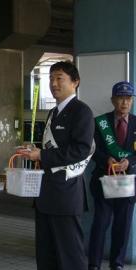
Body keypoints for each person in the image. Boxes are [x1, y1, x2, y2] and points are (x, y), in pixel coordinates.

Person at [17, 61, 95, 270]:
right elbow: (52, 149)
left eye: (59, 78)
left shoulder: (82, 112)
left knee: (70, 256)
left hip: (66, 194)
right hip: (45, 193)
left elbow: (81, 150)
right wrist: (35, 150)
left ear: (75, 82)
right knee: (46, 254)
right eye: (51, 78)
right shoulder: (53, 113)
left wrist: (42, 154)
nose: (53, 83)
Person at [88, 81, 136, 270]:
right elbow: (91, 151)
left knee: (122, 227)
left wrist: (129, 162)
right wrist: (106, 159)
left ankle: (117, 264)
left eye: (128, 98)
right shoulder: (100, 123)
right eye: (120, 98)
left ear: (131, 101)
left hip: (128, 184)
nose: (124, 102)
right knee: (100, 224)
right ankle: (94, 264)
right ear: (112, 100)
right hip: (103, 182)